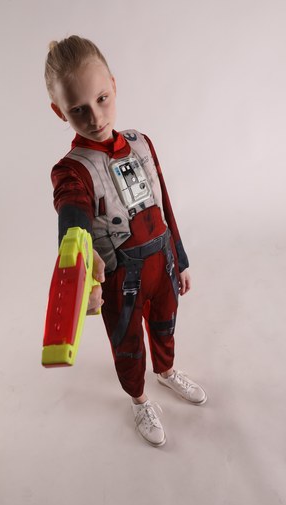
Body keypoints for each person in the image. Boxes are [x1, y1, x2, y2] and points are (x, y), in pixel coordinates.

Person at [44, 35, 207, 447]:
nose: (95, 117)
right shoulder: (71, 171)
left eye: (101, 98)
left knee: (165, 325)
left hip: (163, 261)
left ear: (114, 85)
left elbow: (164, 201)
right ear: (58, 111)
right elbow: (73, 216)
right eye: (77, 109)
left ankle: (167, 372)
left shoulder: (141, 143)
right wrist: (85, 275)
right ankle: (138, 399)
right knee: (128, 343)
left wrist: (181, 259)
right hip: (121, 277)